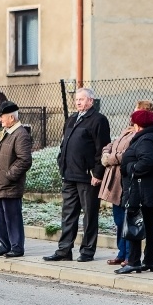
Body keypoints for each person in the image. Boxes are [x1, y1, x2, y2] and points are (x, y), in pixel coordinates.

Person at [44, 88, 111, 262]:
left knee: (89, 215)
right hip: (69, 175)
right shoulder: (72, 119)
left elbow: (102, 148)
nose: (78, 102)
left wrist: (97, 173)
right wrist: (62, 163)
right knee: (68, 215)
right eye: (76, 99)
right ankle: (64, 250)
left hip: (88, 177)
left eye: (82, 99)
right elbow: (63, 144)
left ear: (91, 101)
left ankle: (87, 251)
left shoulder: (98, 120)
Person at [100, 100, 153, 266]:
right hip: (116, 178)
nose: (132, 114)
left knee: (127, 219)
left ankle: (130, 255)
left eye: (136, 111)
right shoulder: (128, 130)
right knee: (118, 218)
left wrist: (110, 159)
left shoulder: (141, 135)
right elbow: (112, 144)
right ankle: (122, 252)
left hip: (127, 179)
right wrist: (105, 153)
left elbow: (128, 154)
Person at [115, 109, 153, 274]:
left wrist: (130, 168)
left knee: (134, 223)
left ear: (139, 125)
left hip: (140, 189)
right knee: (149, 225)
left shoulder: (145, 140)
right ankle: (149, 261)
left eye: (133, 123)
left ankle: (134, 261)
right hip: (148, 188)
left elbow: (147, 161)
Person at [0, 101, 33, 258]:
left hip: (10, 185)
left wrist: (8, 176)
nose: (0, 120)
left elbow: (25, 160)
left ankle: (16, 247)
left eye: (2, 117)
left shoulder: (20, 134)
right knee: (0, 218)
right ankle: (5, 245)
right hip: (0, 185)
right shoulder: (8, 133)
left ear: (12, 118)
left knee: (12, 218)